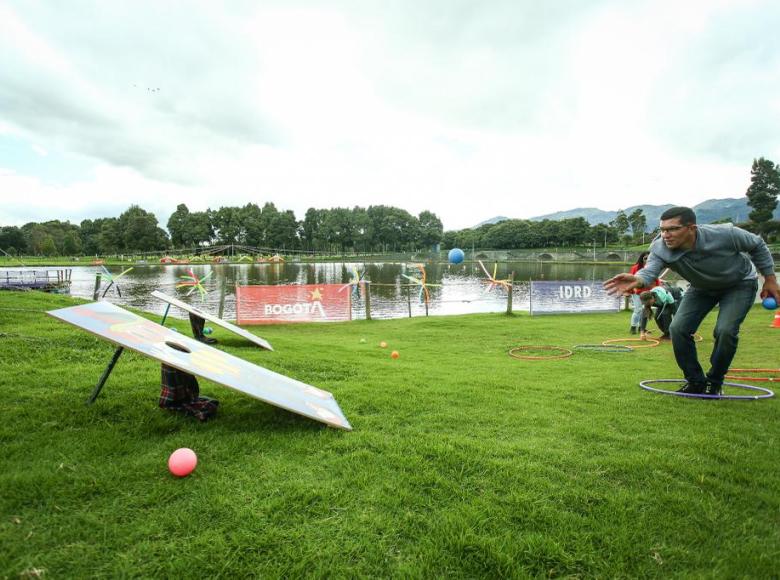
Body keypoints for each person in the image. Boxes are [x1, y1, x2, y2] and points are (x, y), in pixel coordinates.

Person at [604, 206, 778, 395]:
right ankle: (695, 381)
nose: (665, 235)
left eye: (672, 229)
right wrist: (638, 279)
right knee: (678, 329)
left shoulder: (725, 233)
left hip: (739, 284)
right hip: (701, 288)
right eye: (662, 230)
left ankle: (715, 381)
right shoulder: (660, 247)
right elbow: (650, 270)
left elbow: (757, 245)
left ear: (691, 228)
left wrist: (769, 279)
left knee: (726, 331)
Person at [628, 252, 661, 334]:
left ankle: (641, 328)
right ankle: (633, 327)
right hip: (637, 293)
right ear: (642, 259)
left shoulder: (653, 268)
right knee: (638, 310)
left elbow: (656, 280)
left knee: (645, 310)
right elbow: (630, 279)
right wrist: (630, 290)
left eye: (649, 258)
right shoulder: (635, 268)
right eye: (645, 258)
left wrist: (658, 289)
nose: (647, 260)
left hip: (648, 294)